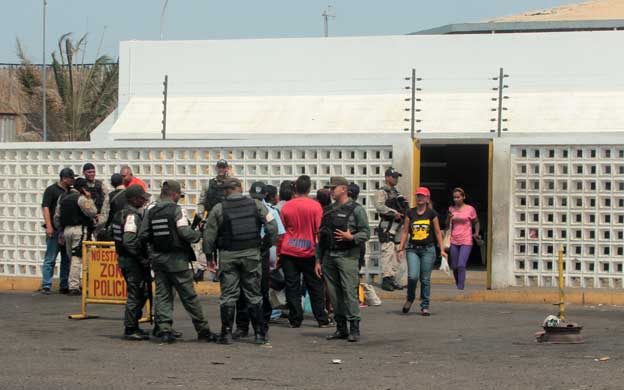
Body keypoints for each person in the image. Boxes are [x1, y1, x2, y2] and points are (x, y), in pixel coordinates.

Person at [138, 180, 216, 344]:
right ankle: (203, 331)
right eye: (178, 196)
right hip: (177, 261)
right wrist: (197, 235)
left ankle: (164, 330)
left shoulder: (150, 210)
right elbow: (185, 233)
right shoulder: (176, 210)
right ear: (174, 194)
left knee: (163, 295)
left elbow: (143, 234)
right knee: (189, 297)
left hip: (158, 260)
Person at [202, 177, 278, 345]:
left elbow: (209, 236)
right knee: (253, 294)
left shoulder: (219, 208)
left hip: (229, 256)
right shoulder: (257, 205)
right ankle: (259, 333)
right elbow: (272, 227)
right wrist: (264, 246)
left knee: (228, 295)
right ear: (240, 189)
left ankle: (226, 334)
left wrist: (209, 257)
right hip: (252, 255)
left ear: (226, 191)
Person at [320, 176, 370, 342]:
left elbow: (366, 233)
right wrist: (317, 260)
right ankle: (341, 328)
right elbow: (322, 237)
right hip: (329, 256)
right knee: (334, 295)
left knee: (349, 292)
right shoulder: (328, 210)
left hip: (348, 257)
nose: (331, 191)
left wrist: (351, 237)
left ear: (343, 189)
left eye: (334, 188)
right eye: (330, 188)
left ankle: (354, 328)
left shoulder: (356, 209)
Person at [232, 182, 285, 339]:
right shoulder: (243, 208)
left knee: (260, 290)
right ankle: (244, 326)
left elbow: (277, 233)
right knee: (243, 291)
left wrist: (264, 246)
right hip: (249, 251)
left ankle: (261, 326)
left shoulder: (270, 210)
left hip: (259, 252)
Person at [280, 175, 331, 328]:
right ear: (309, 189)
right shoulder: (315, 207)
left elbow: (281, 231)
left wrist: (278, 255)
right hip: (310, 252)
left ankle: (295, 319)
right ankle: (321, 319)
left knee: (292, 286)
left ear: (295, 189)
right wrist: (319, 257)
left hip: (288, 251)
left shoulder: (287, 206)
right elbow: (319, 231)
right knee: (315, 286)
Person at [110, 185, 152, 340]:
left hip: (124, 259)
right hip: (132, 261)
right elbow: (128, 241)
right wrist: (141, 258)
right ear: (134, 199)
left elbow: (110, 234)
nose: (144, 200)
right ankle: (130, 328)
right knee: (136, 293)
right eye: (142, 198)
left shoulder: (119, 214)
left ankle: (133, 324)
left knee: (141, 292)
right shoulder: (132, 216)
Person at [398, 187, 446, 316]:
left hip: (428, 249)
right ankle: (410, 298)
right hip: (413, 249)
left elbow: (437, 232)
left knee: (425, 279)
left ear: (427, 198)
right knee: (412, 276)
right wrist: (401, 248)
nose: (420, 198)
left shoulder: (432, 214)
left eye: (422, 196)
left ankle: (425, 305)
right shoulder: (410, 213)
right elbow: (405, 232)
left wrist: (442, 249)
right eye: (418, 196)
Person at [57, 178, 98, 295]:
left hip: (66, 230)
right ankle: (74, 286)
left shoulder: (62, 198)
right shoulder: (82, 198)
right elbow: (93, 212)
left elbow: (57, 216)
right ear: (83, 188)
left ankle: (73, 283)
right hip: (79, 230)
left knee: (71, 257)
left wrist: (60, 230)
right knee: (77, 257)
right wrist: (89, 199)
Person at [39, 168, 74, 295]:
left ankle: (64, 284)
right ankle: (46, 284)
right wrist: (49, 226)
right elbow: (46, 207)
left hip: (66, 230)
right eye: (71, 178)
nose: (73, 180)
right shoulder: (51, 190)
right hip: (54, 230)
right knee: (51, 257)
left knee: (66, 259)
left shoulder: (71, 191)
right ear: (64, 178)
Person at [195, 159, 230, 281]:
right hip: (210, 218)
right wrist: (200, 217)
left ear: (227, 168)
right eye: (219, 167)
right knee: (206, 243)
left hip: (226, 219)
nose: (221, 170)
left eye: (223, 167)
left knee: (224, 245)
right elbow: (202, 201)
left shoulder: (231, 183)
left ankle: (220, 270)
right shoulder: (209, 184)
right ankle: (201, 268)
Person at [375, 167, 408, 291]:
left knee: (397, 252)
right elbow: (379, 207)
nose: (396, 179)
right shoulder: (382, 192)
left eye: (397, 177)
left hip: (398, 225)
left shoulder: (396, 192)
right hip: (387, 225)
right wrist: (394, 212)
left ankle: (394, 279)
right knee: (387, 252)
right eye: (394, 176)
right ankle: (386, 279)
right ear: (387, 177)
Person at [445, 187, 480, 290]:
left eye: (458, 197)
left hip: (466, 240)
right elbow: (447, 224)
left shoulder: (470, 209)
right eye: (454, 197)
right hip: (454, 240)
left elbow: (476, 222)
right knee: (454, 266)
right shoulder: (451, 209)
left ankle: (461, 287)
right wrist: (448, 217)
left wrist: (476, 233)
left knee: (461, 264)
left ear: (463, 197)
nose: (456, 199)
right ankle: (458, 283)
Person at [82, 163, 110, 239]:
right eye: (89, 172)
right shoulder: (81, 185)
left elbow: (106, 203)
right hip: (85, 221)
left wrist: (101, 217)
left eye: (93, 172)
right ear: (84, 173)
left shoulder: (100, 185)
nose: (92, 174)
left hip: (99, 221)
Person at [347, 183, 366, 271]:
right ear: (357, 195)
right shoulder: (359, 209)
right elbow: (365, 233)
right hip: (356, 246)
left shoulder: (336, 207)